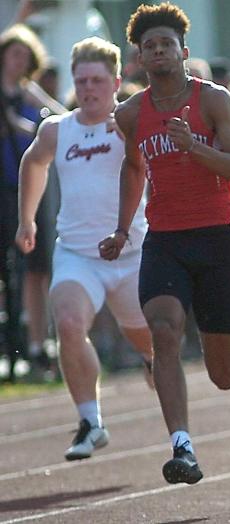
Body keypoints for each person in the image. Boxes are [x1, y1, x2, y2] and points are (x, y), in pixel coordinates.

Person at [98, 2, 230, 485]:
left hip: (214, 239)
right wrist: (124, 228)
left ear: (183, 51)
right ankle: (182, 446)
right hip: (164, 240)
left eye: (166, 43)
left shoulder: (213, 101)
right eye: (149, 46)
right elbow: (133, 167)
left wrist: (195, 147)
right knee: (164, 331)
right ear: (139, 59)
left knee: (224, 374)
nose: (159, 51)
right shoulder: (130, 113)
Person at [16, 36, 154, 461]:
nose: (88, 89)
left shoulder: (134, 123)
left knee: (147, 339)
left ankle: (152, 359)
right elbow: (32, 162)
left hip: (132, 255)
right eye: (81, 81)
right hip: (77, 253)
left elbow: (160, 166)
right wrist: (27, 219)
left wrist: (133, 136)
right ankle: (90, 421)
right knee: (70, 323)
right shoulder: (58, 129)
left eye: (96, 80)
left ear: (116, 82)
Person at [0, 23, 65, 380]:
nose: (18, 60)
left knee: (34, 266)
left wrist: (22, 124)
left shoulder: (27, 92)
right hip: (3, 188)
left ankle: (36, 346)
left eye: (25, 55)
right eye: (13, 53)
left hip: (26, 188)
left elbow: (59, 116)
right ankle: (12, 350)